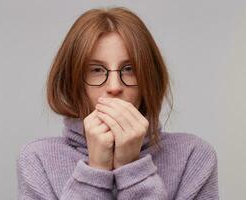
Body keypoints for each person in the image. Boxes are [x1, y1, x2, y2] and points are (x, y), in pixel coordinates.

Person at [16, 6, 219, 200]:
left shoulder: (193, 157)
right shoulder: (38, 160)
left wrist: (132, 169)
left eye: (129, 69)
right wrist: (94, 172)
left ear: (150, 77)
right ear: (74, 81)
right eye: (96, 70)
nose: (114, 86)